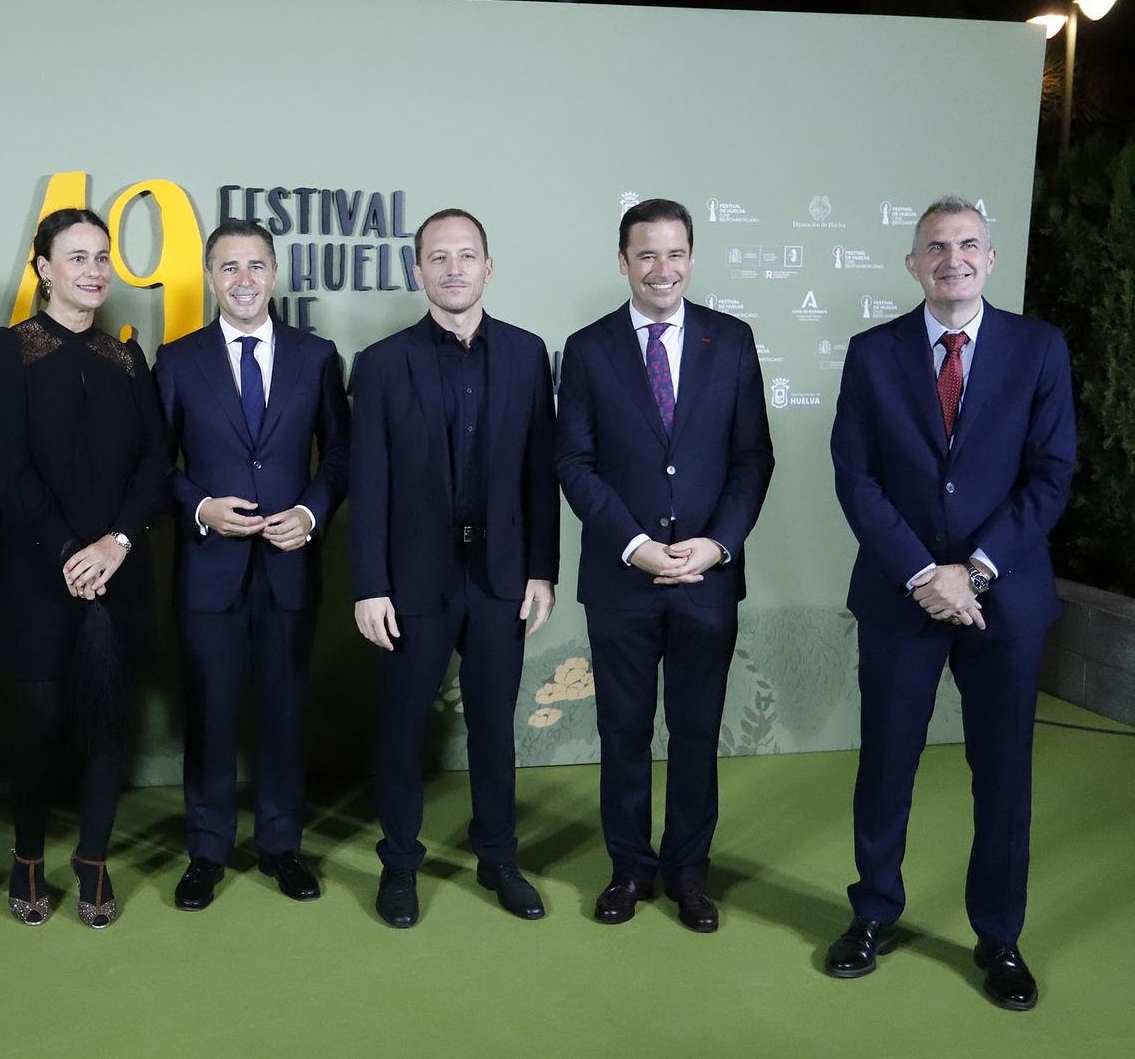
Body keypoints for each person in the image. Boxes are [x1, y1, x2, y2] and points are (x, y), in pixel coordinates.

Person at [825, 196, 1075, 1011]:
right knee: (885, 765)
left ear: (990, 259)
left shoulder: (1039, 349)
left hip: (1006, 599)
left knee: (1001, 775)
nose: (952, 258)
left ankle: (999, 934)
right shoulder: (872, 353)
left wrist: (975, 570)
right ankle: (873, 912)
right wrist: (922, 573)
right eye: (935, 246)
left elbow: (1050, 474)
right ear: (913, 264)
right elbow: (855, 477)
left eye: (968, 244)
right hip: (902, 596)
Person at [555, 197, 773, 934]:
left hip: (707, 577)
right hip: (622, 579)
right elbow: (574, 462)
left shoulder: (731, 340)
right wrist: (633, 544)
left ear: (691, 258)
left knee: (696, 731)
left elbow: (753, 458)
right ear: (623, 261)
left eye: (674, 253)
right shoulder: (587, 349)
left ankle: (688, 873)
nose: (661, 268)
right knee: (622, 731)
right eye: (646, 254)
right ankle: (628, 870)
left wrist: (717, 543)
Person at [350, 208, 557, 929]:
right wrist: (370, 584)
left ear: (488, 267)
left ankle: (498, 858)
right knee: (403, 728)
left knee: (494, 728)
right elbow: (368, 481)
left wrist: (541, 569)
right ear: (418, 272)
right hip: (413, 579)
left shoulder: (529, 354)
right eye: (438, 257)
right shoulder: (381, 363)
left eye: (467, 255)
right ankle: (400, 864)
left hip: (501, 575)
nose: (453, 268)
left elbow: (540, 473)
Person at [0, 209, 170, 929]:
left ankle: (93, 860)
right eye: (77, 257)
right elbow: (10, 466)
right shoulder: (9, 349)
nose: (93, 270)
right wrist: (67, 550)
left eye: (102, 257)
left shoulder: (128, 358)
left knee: (109, 724)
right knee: (40, 722)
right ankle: (27, 857)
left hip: (120, 570)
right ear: (44, 269)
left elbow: (156, 462)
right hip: (39, 574)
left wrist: (115, 543)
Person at [154, 219, 350, 910]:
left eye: (256, 266)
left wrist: (312, 513)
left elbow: (341, 454)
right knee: (210, 714)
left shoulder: (316, 356)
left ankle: (280, 846)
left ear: (273, 274)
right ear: (210, 277)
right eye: (229, 267)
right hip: (209, 569)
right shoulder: (177, 359)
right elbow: (155, 464)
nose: (244, 280)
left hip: (290, 568)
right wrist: (201, 506)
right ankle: (207, 851)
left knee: (283, 712)